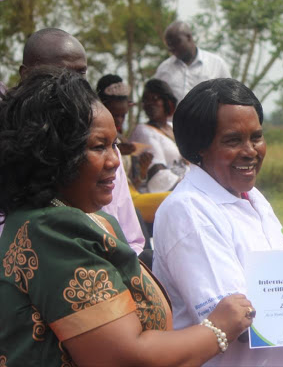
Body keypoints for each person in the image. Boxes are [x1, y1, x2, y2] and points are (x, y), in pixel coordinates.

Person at [0, 66, 254, 366]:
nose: (115, 162)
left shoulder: (85, 220)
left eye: (115, 145)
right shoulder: (53, 230)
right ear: (54, 153)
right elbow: (125, 357)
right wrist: (219, 328)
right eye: (99, 147)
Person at [152, 78, 283, 366]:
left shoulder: (253, 198)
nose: (250, 151)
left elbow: (280, 296)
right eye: (232, 140)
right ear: (199, 147)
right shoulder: (188, 210)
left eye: (256, 137)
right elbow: (234, 320)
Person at [15, 28, 146, 254]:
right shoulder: (14, 155)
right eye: (58, 73)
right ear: (26, 74)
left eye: (80, 74)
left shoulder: (106, 154)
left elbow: (132, 242)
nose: (71, 85)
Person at [130, 79, 188, 193]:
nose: (149, 104)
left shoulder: (173, 127)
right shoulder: (143, 131)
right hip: (157, 196)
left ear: (167, 101)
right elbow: (158, 180)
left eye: (155, 99)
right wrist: (185, 167)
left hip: (182, 187)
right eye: (145, 100)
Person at [154, 20, 231, 104]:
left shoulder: (216, 64)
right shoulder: (163, 69)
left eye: (176, 42)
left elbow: (229, 97)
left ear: (189, 37)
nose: (172, 48)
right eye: (169, 45)